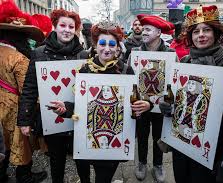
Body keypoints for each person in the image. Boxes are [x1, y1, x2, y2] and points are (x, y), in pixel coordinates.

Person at [49, 21, 151, 183]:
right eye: (102, 43)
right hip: (88, 134)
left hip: (113, 137)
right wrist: (65, 109)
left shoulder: (126, 70)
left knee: (104, 178)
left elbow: (136, 101)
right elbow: (80, 105)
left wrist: (145, 105)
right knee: (84, 175)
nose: (107, 48)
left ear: (118, 47)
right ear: (95, 45)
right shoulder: (85, 69)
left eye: (112, 44)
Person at [160, 5, 223, 183]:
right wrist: (166, 106)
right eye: (196, 31)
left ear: (216, 33)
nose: (201, 35)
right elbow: (177, 100)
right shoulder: (185, 60)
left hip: (212, 147)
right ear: (190, 36)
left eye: (206, 30)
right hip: (182, 141)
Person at [17, 9, 90, 183]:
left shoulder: (84, 56)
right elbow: (30, 88)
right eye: (62, 25)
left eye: (71, 26)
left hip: (76, 117)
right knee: (56, 160)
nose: (67, 30)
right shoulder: (39, 54)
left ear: (76, 29)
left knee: (82, 160)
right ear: (55, 26)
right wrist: (24, 120)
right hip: (51, 117)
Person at [0, 0, 48, 182]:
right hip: (15, 106)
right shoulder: (20, 58)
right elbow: (28, 89)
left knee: (2, 140)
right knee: (20, 142)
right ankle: (24, 175)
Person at [131, 14, 175, 183]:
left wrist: (168, 101)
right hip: (141, 104)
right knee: (142, 134)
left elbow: (175, 80)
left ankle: (158, 164)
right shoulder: (135, 52)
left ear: (158, 32)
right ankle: (141, 162)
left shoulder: (171, 53)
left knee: (159, 135)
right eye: (143, 29)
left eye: (148, 29)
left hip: (160, 105)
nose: (144, 32)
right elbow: (130, 77)